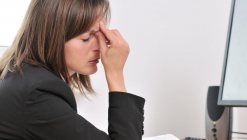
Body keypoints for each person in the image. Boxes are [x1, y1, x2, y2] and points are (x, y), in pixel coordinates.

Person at [0, 0, 144, 140]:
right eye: (87, 38)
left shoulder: (21, 76)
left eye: (100, 34)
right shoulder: (36, 95)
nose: (100, 46)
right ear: (52, 38)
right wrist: (115, 74)